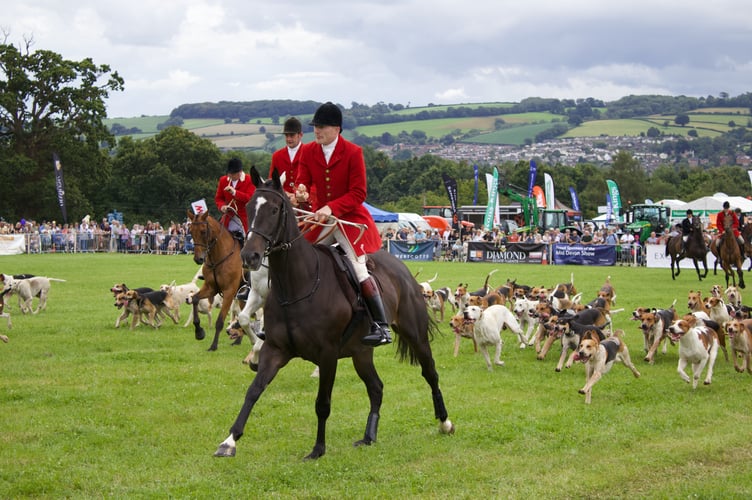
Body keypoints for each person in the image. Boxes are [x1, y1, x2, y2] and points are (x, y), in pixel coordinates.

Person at [292, 102, 391, 347]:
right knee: (296, 257)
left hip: (349, 219)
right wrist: (301, 193)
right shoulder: (307, 151)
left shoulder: (353, 152)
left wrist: (331, 208)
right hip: (321, 219)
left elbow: (359, 193)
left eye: (322, 127)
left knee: (359, 268)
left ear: (337, 128)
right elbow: (302, 183)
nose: (317, 131)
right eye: (315, 127)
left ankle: (381, 325)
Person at [269, 117, 312, 203]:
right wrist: (286, 194)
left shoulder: (309, 153)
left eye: (292, 135)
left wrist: (299, 195)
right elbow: (272, 181)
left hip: (305, 204)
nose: (288, 139)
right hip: (283, 201)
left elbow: (314, 181)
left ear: (300, 135)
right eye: (286, 135)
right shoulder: (277, 156)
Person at [215, 157, 255, 243]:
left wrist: (235, 193)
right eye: (229, 174)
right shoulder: (223, 180)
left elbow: (250, 198)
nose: (230, 176)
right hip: (228, 217)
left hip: (244, 217)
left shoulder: (249, 180)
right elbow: (219, 198)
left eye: (233, 174)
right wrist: (222, 206)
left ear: (240, 172)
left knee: (250, 242)